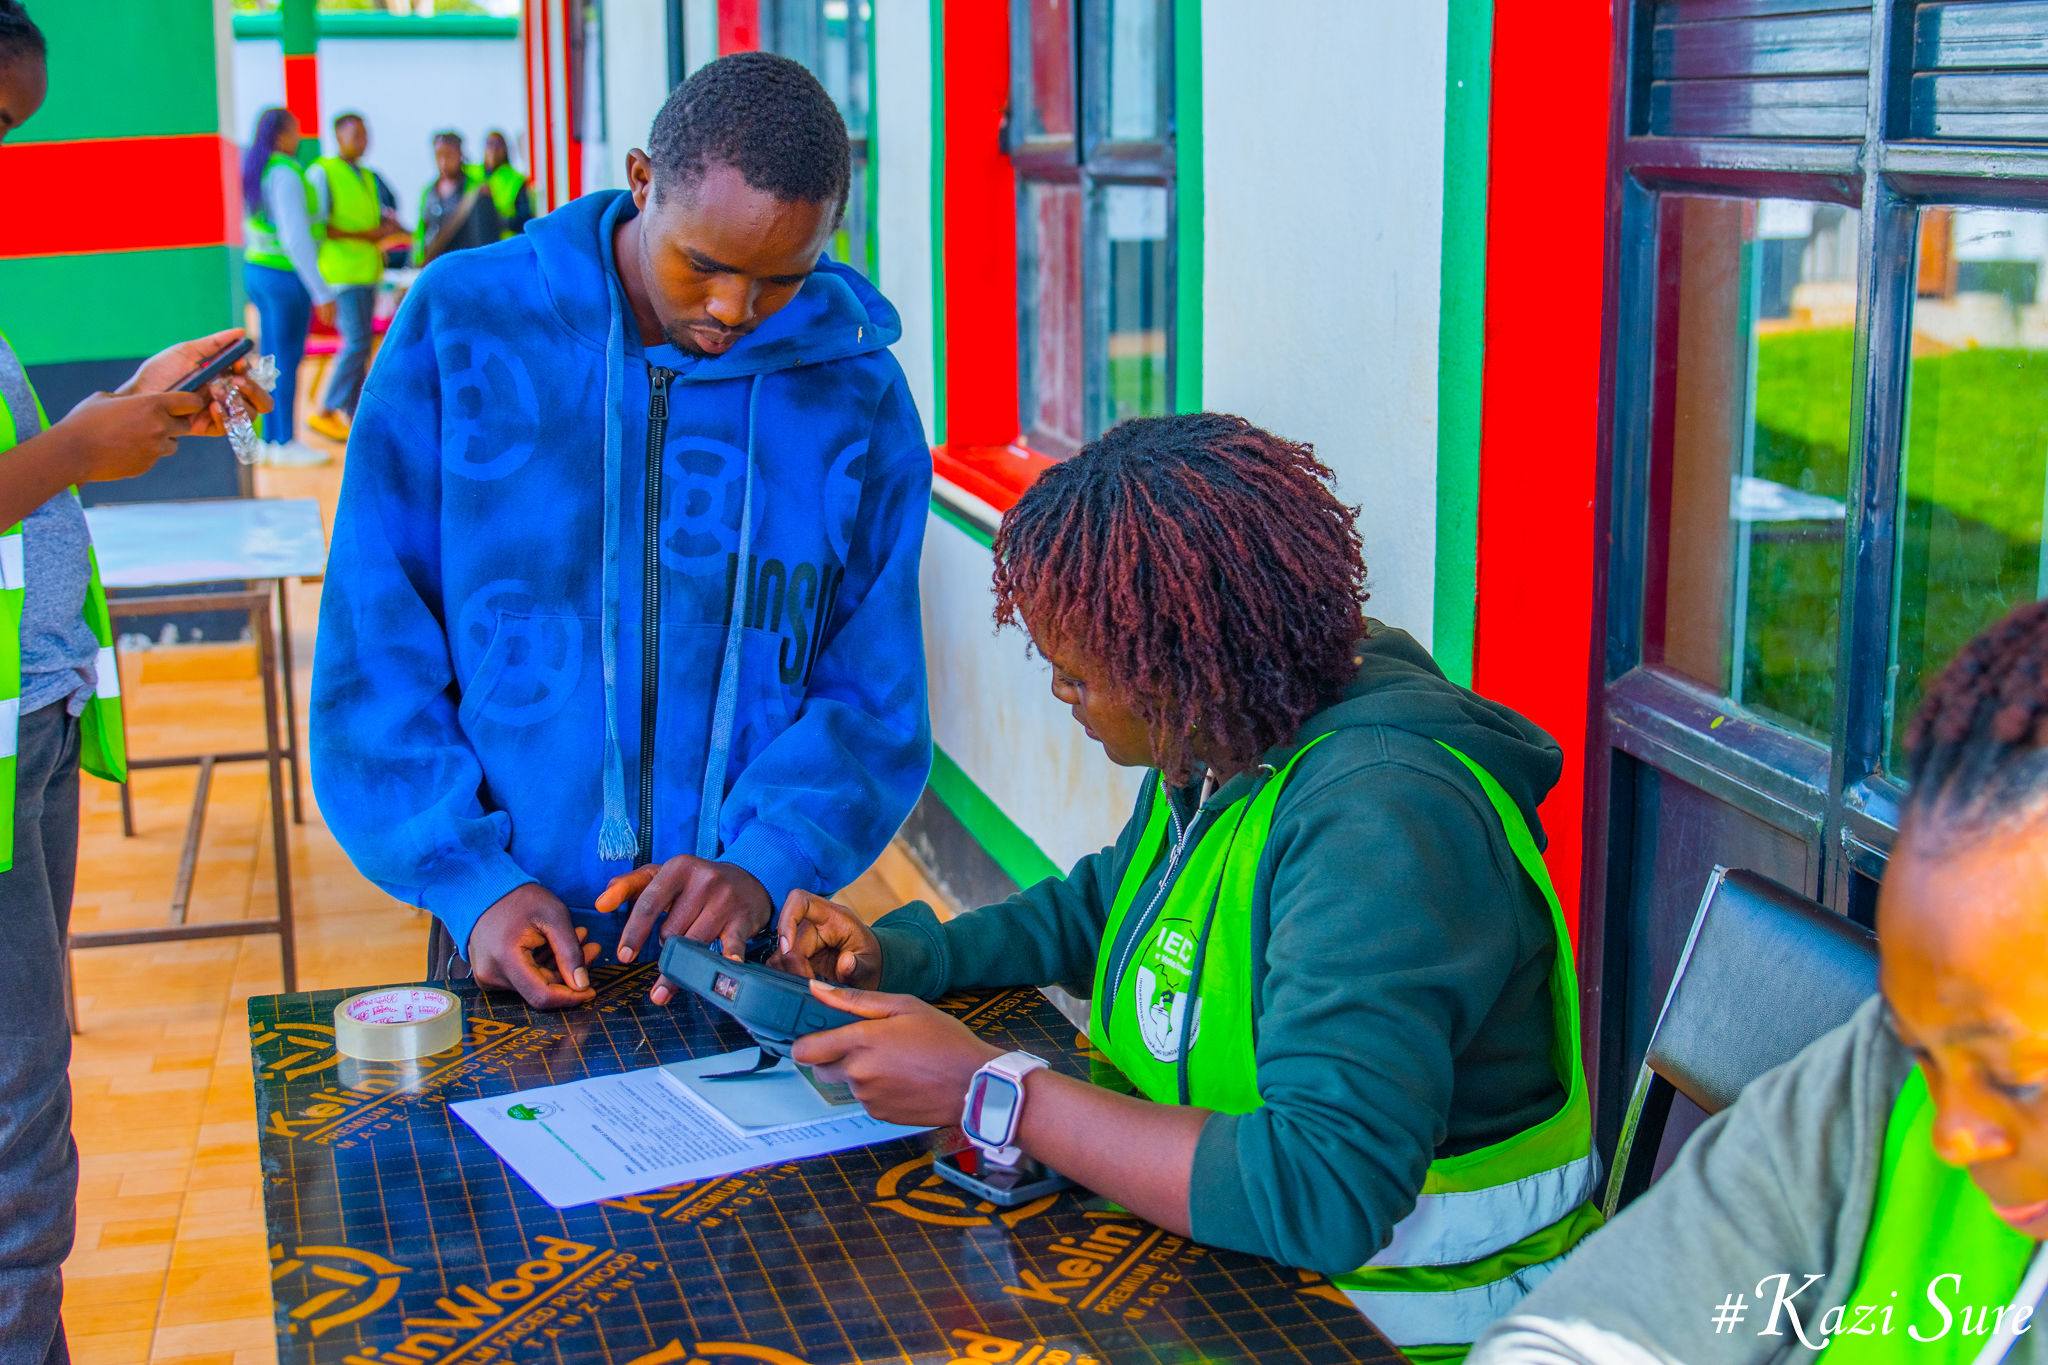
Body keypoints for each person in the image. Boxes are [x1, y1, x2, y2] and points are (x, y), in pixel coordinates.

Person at [747, 413, 1601, 1362]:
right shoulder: (1228, 727)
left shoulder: (1383, 819)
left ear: (1179, 665)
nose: (1061, 698)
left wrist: (992, 1088)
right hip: (1237, 1268)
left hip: (1407, 1319)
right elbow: (1112, 903)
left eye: (1076, 677)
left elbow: (1322, 1192)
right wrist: (908, 954)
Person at [312, 53, 931, 1016]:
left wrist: (768, 863)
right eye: (706, 265)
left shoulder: (856, 393)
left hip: (752, 940)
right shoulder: (464, 325)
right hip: (506, 933)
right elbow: (374, 642)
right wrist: (468, 880)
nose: (734, 311)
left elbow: (873, 692)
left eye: (779, 281)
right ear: (642, 180)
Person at [1469, 598, 2048, 1365]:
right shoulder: (1881, 1078)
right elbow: (1599, 1324)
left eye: (2016, 1081)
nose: (1954, 1130)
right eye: (1930, 1050)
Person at [0, 8, 272, 1358]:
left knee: (30, 1096)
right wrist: (82, 449)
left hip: (31, 719)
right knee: (17, 1139)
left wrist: (126, 410)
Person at [241, 106, 334, 468]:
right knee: (287, 359)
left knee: (270, 357)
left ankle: (269, 436)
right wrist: (321, 290)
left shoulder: (257, 170)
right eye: (296, 130)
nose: (300, 136)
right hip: (284, 276)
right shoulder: (287, 174)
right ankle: (284, 440)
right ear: (281, 135)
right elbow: (297, 238)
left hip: (258, 270)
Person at [305, 112, 403, 443]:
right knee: (356, 342)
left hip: (366, 272)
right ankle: (326, 409)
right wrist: (370, 235)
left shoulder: (366, 175)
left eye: (366, 133)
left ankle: (353, 413)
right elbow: (321, 225)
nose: (363, 140)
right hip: (342, 273)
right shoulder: (324, 172)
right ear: (338, 136)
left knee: (362, 347)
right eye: (356, 134)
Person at [413, 131, 499, 265]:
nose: (444, 162)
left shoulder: (476, 190)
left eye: (449, 155)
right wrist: (418, 260)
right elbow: (421, 232)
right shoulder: (428, 192)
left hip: (466, 267)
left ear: (460, 154)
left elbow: (487, 236)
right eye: (439, 156)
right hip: (437, 268)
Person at [482, 129, 535, 239]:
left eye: (498, 145)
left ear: (506, 150)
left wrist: (501, 222)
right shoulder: (474, 174)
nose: (493, 149)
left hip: (504, 243)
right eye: (490, 144)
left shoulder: (516, 179)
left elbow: (525, 216)